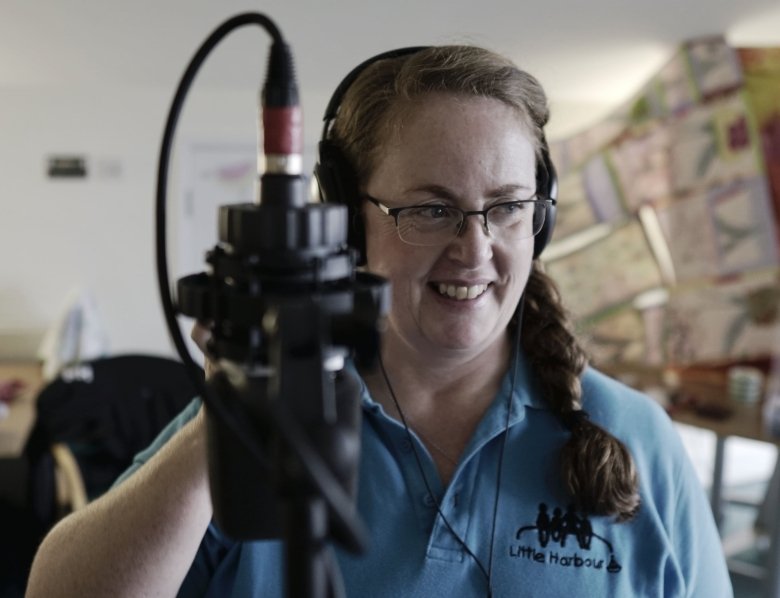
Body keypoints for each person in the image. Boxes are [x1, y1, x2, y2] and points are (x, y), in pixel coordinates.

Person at [27, 45, 732, 597]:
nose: (475, 247)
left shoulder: (634, 437)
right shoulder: (269, 415)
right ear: (342, 224)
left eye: (507, 206)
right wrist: (234, 412)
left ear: (540, 220)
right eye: (430, 209)